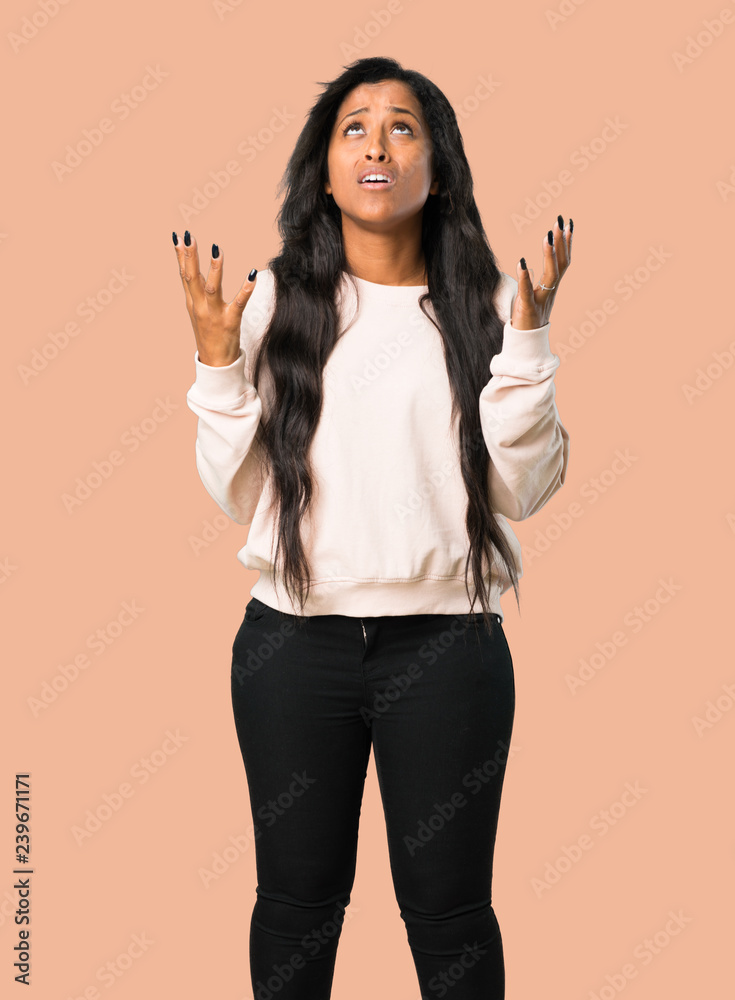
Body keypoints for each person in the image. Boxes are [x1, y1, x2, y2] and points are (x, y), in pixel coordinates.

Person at [175, 56, 571, 1000]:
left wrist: (529, 343)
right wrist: (217, 366)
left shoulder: (490, 307)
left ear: (439, 168)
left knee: (450, 913)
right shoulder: (272, 303)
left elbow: (522, 489)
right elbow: (239, 494)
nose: (376, 145)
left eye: (402, 126)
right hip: (291, 651)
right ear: (324, 172)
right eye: (353, 127)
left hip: (448, 651)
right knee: (296, 906)